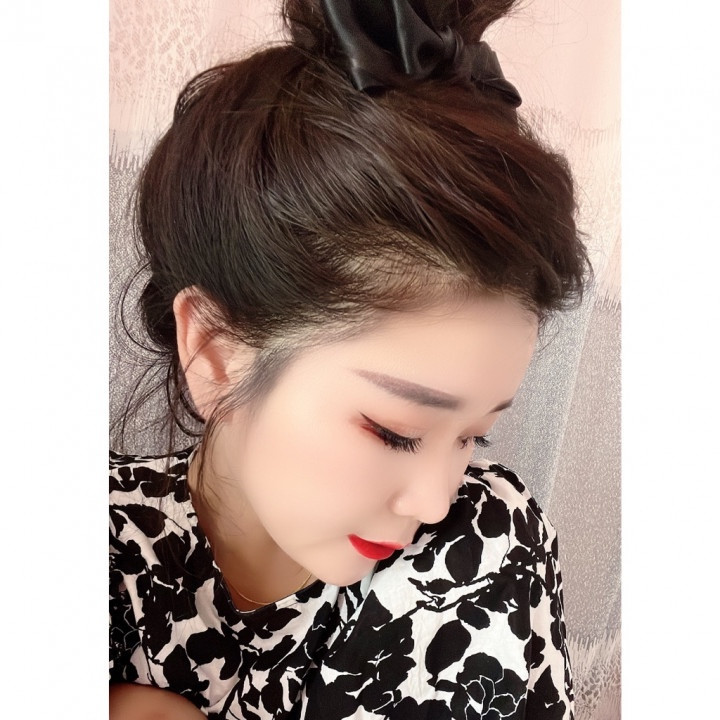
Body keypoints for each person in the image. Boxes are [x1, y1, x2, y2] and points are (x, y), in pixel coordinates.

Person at [109, 0, 590, 718]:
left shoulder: (481, 546)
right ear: (216, 351)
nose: (433, 500)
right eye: (395, 431)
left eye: (473, 436)